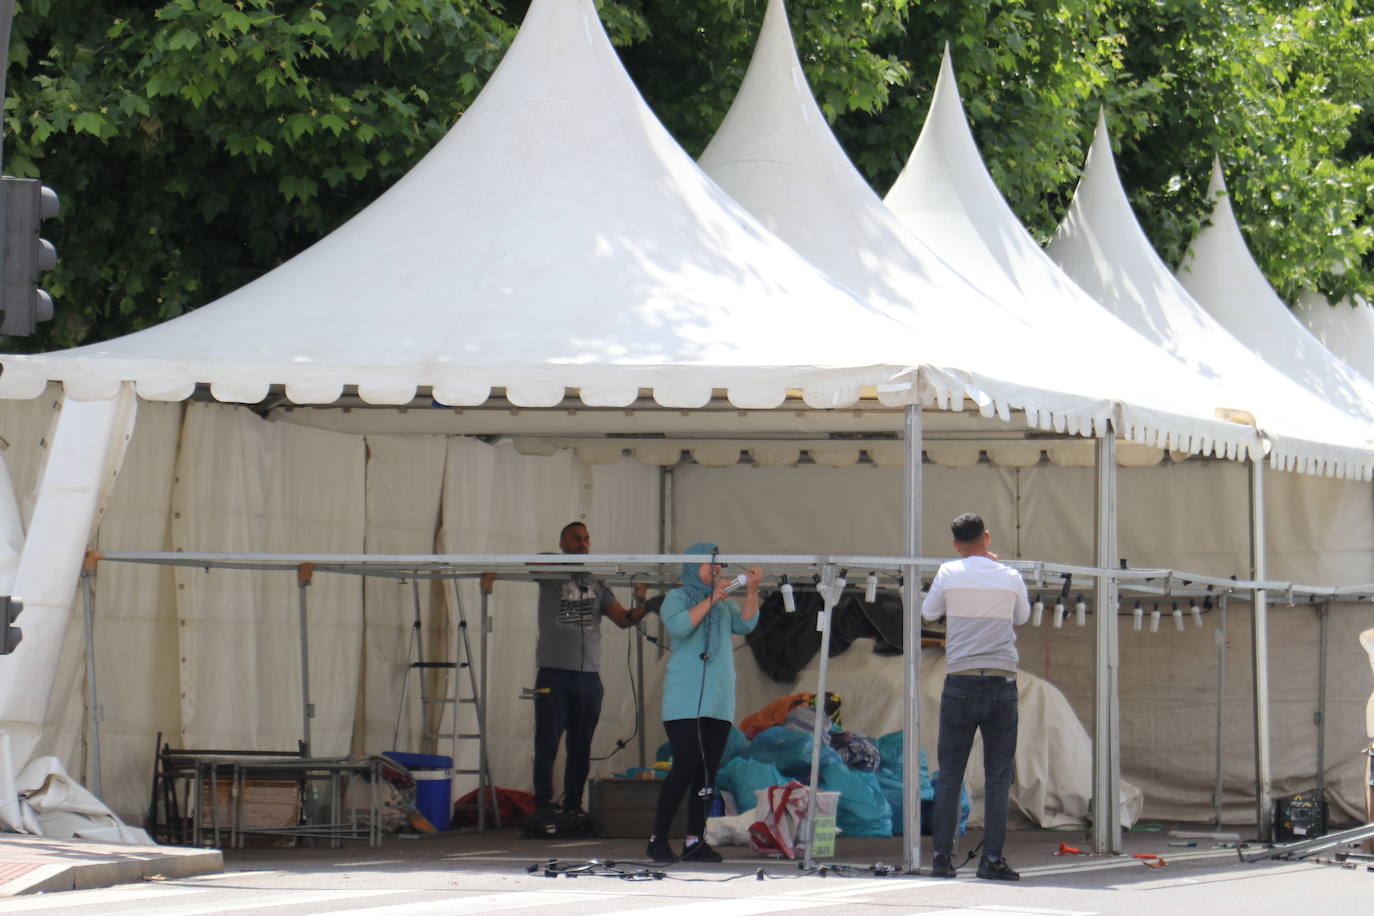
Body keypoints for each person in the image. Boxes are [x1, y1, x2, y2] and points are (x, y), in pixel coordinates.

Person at [481, 521, 648, 819]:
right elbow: (533, 561)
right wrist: (566, 560)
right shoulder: (551, 573)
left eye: (586, 539)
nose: (583, 544)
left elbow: (624, 620)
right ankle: (543, 805)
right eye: (575, 539)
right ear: (562, 543)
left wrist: (645, 603)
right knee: (546, 742)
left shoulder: (598, 583)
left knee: (581, 746)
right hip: (553, 673)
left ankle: (573, 804)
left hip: (588, 677)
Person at [920, 512, 1030, 881]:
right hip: (1001, 683)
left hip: (960, 682)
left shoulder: (948, 573)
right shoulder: (1011, 577)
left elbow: (928, 612)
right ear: (987, 536)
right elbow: (1022, 617)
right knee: (998, 776)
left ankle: (940, 858)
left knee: (950, 775)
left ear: (955, 545)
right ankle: (992, 860)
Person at [646, 543, 761, 864]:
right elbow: (680, 626)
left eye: (719, 565)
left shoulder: (725, 606)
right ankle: (657, 838)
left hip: (719, 701)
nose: (716, 570)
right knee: (685, 766)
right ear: (692, 566)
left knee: (707, 774)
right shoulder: (678, 598)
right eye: (709, 564)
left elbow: (746, 624)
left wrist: (751, 592)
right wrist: (712, 599)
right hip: (685, 701)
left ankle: (696, 839)